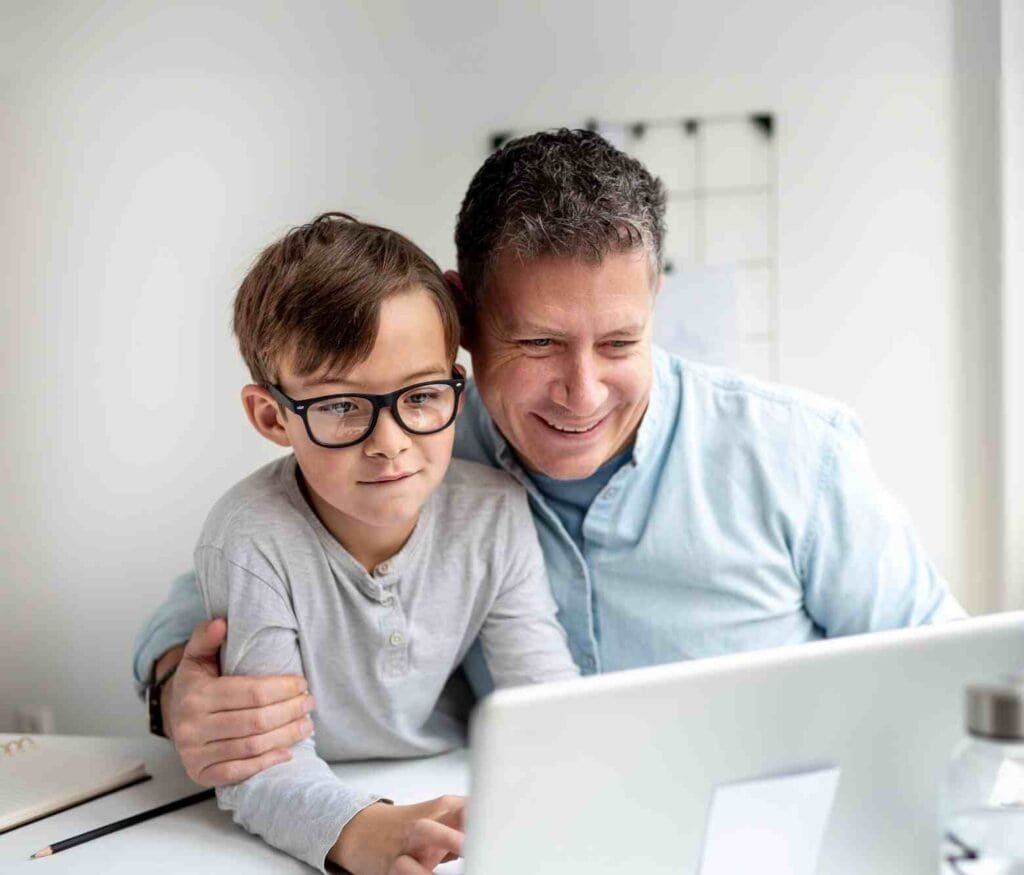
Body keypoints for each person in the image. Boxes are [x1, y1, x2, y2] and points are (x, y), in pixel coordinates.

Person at [134, 128, 964, 793]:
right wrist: (178, 683)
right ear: (461, 314)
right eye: (537, 342)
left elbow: (951, 671)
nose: (583, 391)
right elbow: (237, 570)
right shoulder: (414, 447)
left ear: (653, 306)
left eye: (618, 341)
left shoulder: (797, 455)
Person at [183, 212, 577, 873]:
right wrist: (359, 829)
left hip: (458, 787)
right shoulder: (251, 537)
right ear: (272, 416)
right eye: (341, 405)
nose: (390, 441)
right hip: (317, 806)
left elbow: (546, 706)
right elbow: (261, 760)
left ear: (457, 385)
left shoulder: (494, 513)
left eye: (422, 395)